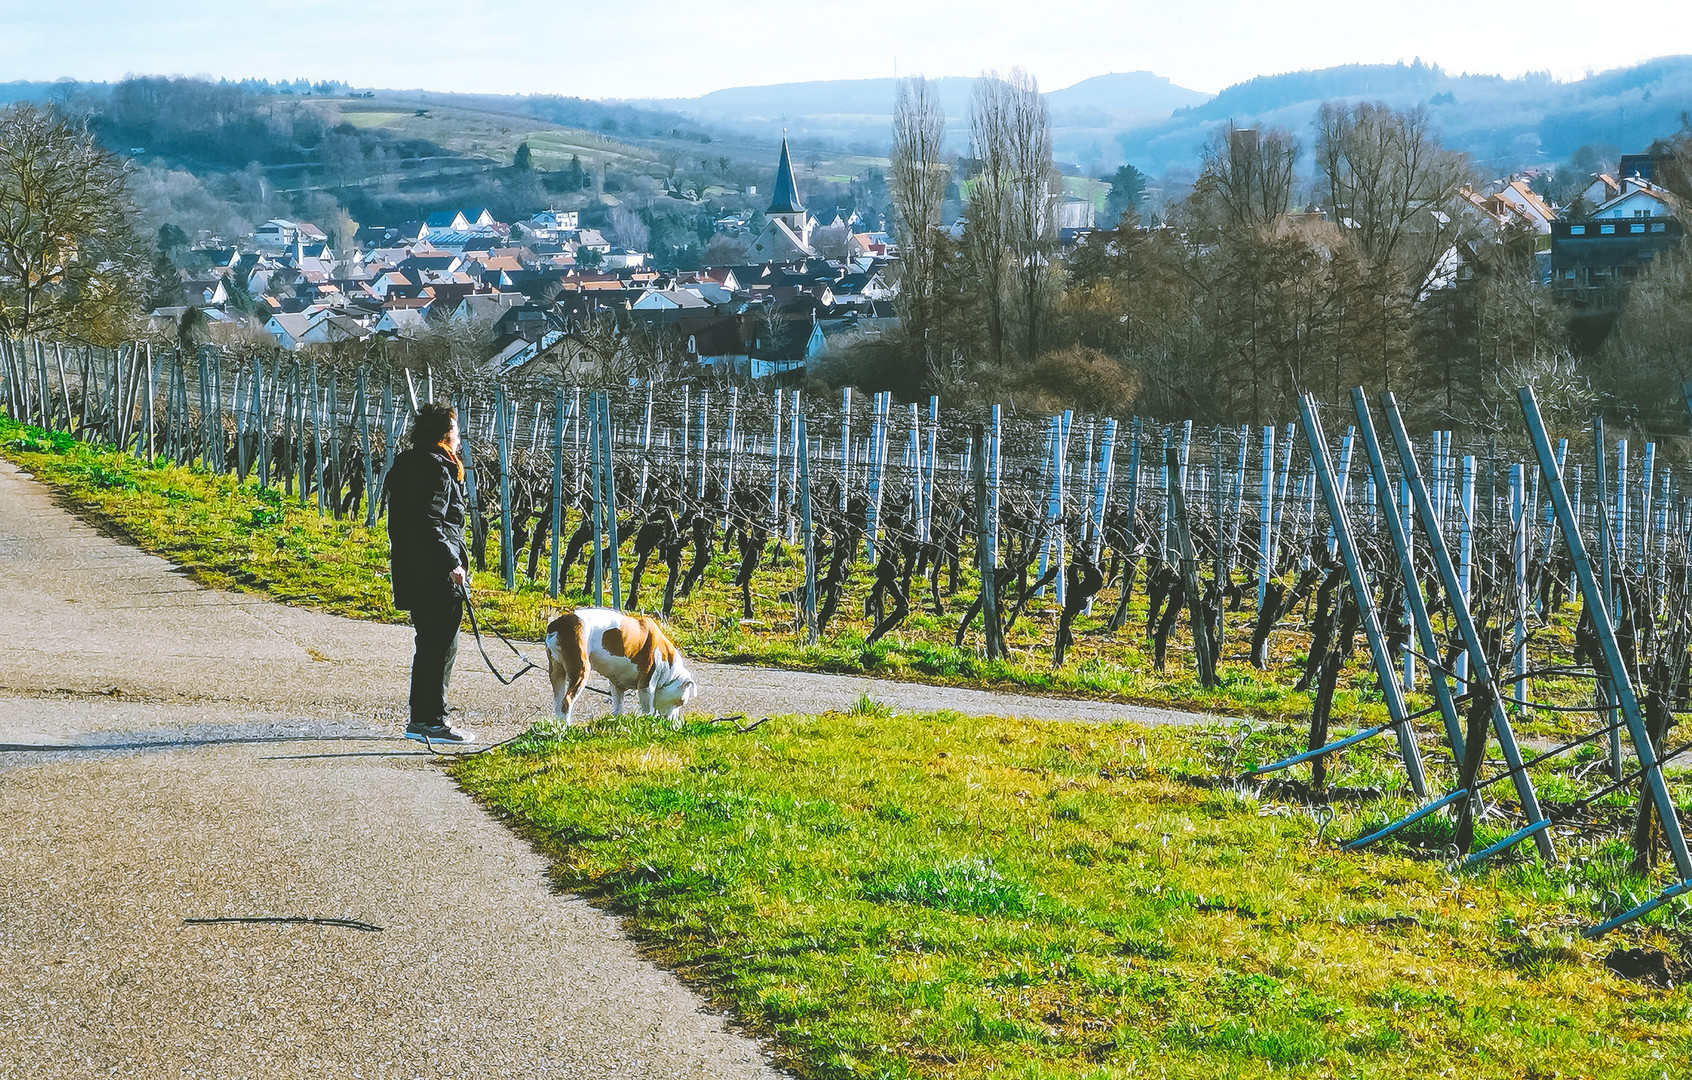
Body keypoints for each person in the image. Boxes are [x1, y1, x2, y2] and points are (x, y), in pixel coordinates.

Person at [386, 402, 476, 743]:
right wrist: (452, 563)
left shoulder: (408, 464)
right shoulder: (437, 470)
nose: (458, 439)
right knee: (442, 647)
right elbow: (431, 523)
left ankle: (420, 719)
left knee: (428, 645)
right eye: (454, 432)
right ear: (443, 435)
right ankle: (434, 721)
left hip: (413, 569)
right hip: (436, 573)